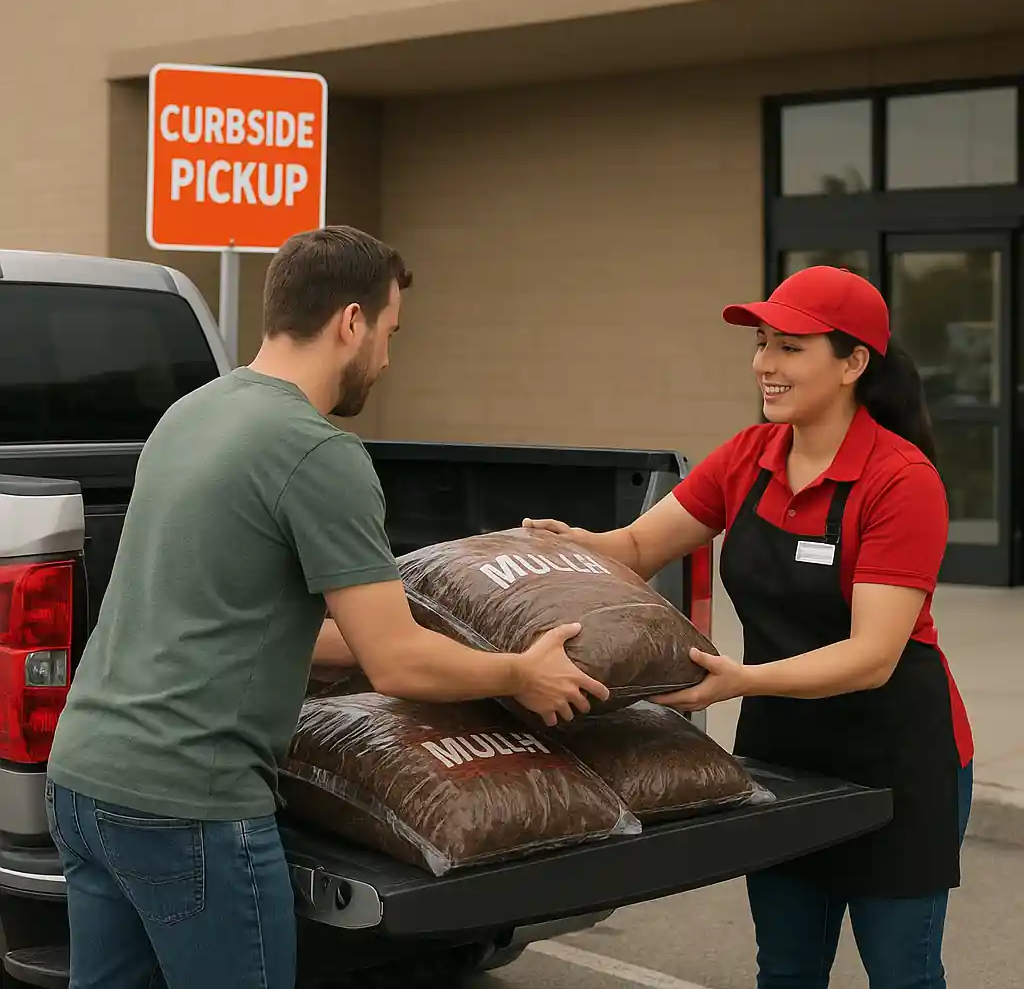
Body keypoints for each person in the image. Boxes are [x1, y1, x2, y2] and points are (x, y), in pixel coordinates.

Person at [45, 225, 608, 989]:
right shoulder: (317, 452)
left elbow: (248, 624)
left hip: (84, 781)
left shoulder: (190, 414)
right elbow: (395, 660)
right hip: (190, 806)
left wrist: (449, 645)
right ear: (351, 321)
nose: (386, 357)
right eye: (389, 332)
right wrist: (517, 673)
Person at [524, 265, 973, 989]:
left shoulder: (901, 480)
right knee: (787, 969)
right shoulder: (749, 457)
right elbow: (640, 547)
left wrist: (737, 681)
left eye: (791, 348)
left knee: (903, 974)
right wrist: (569, 541)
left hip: (898, 761)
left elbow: (872, 656)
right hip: (784, 749)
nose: (764, 363)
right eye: (763, 343)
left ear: (854, 362)